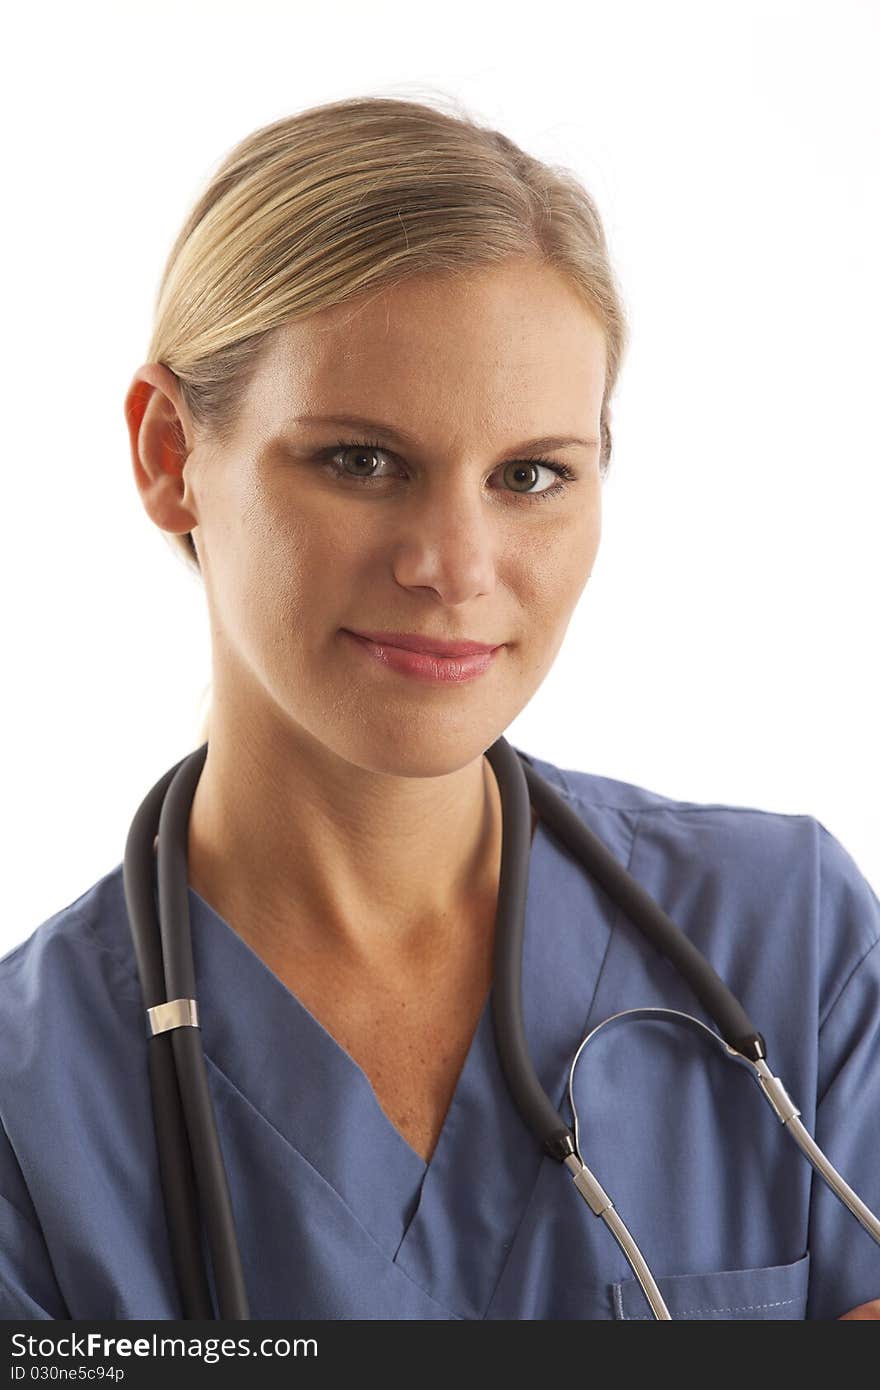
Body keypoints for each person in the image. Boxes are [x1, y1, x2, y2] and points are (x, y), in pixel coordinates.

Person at [2, 94, 879, 1322]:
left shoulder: (791, 945)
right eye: (362, 460)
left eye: (530, 475)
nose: (455, 566)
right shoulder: (27, 1109)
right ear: (168, 454)